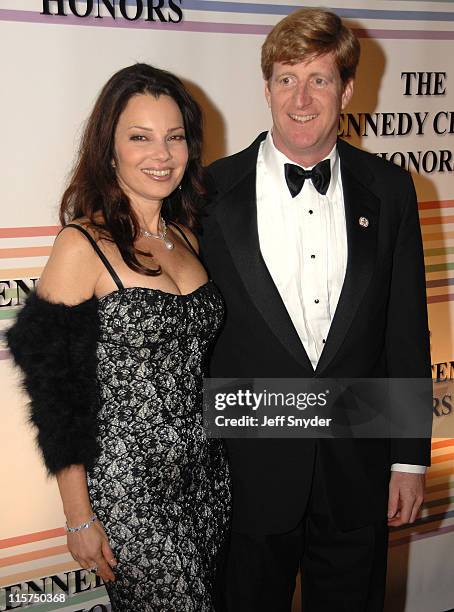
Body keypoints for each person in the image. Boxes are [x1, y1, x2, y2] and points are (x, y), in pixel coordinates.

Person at [201, 8, 431, 612]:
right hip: (247, 473)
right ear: (267, 87)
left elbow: (406, 330)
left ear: (348, 89)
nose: (300, 98)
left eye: (319, 79)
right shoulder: (207, 193)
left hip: (357, 467)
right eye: (285, 78)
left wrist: (408, 458)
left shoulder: (391, 188)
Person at [7, 63, 231, 612]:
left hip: (207, 477)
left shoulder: (186, 235)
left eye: (174, 137)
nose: (162, 154)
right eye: (140, 137)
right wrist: (79, 514)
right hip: (129, 490)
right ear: (109, 149)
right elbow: (56, 393)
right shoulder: (81, 244)